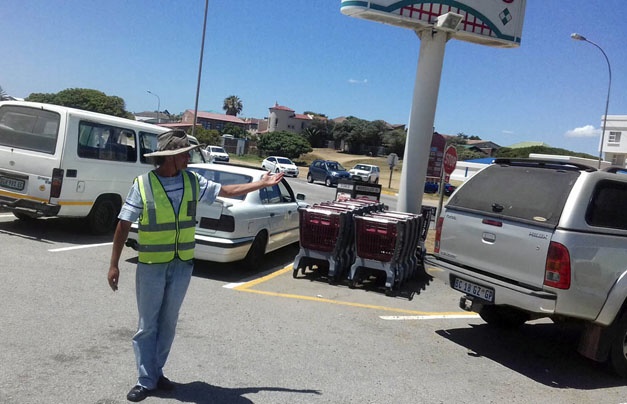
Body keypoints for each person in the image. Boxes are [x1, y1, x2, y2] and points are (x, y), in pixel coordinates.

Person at [107, 129, 283, 402]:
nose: (189, 158)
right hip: (152, 265)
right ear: (171, 157)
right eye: (185, 154)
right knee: (147, 325)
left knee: (168, 323)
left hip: (181, 265)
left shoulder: (192, 181)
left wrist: (262, 184)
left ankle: (156, 372)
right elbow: (123, 223)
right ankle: (145, 379)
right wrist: (114, 264)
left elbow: (227, 190)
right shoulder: (143, 184)